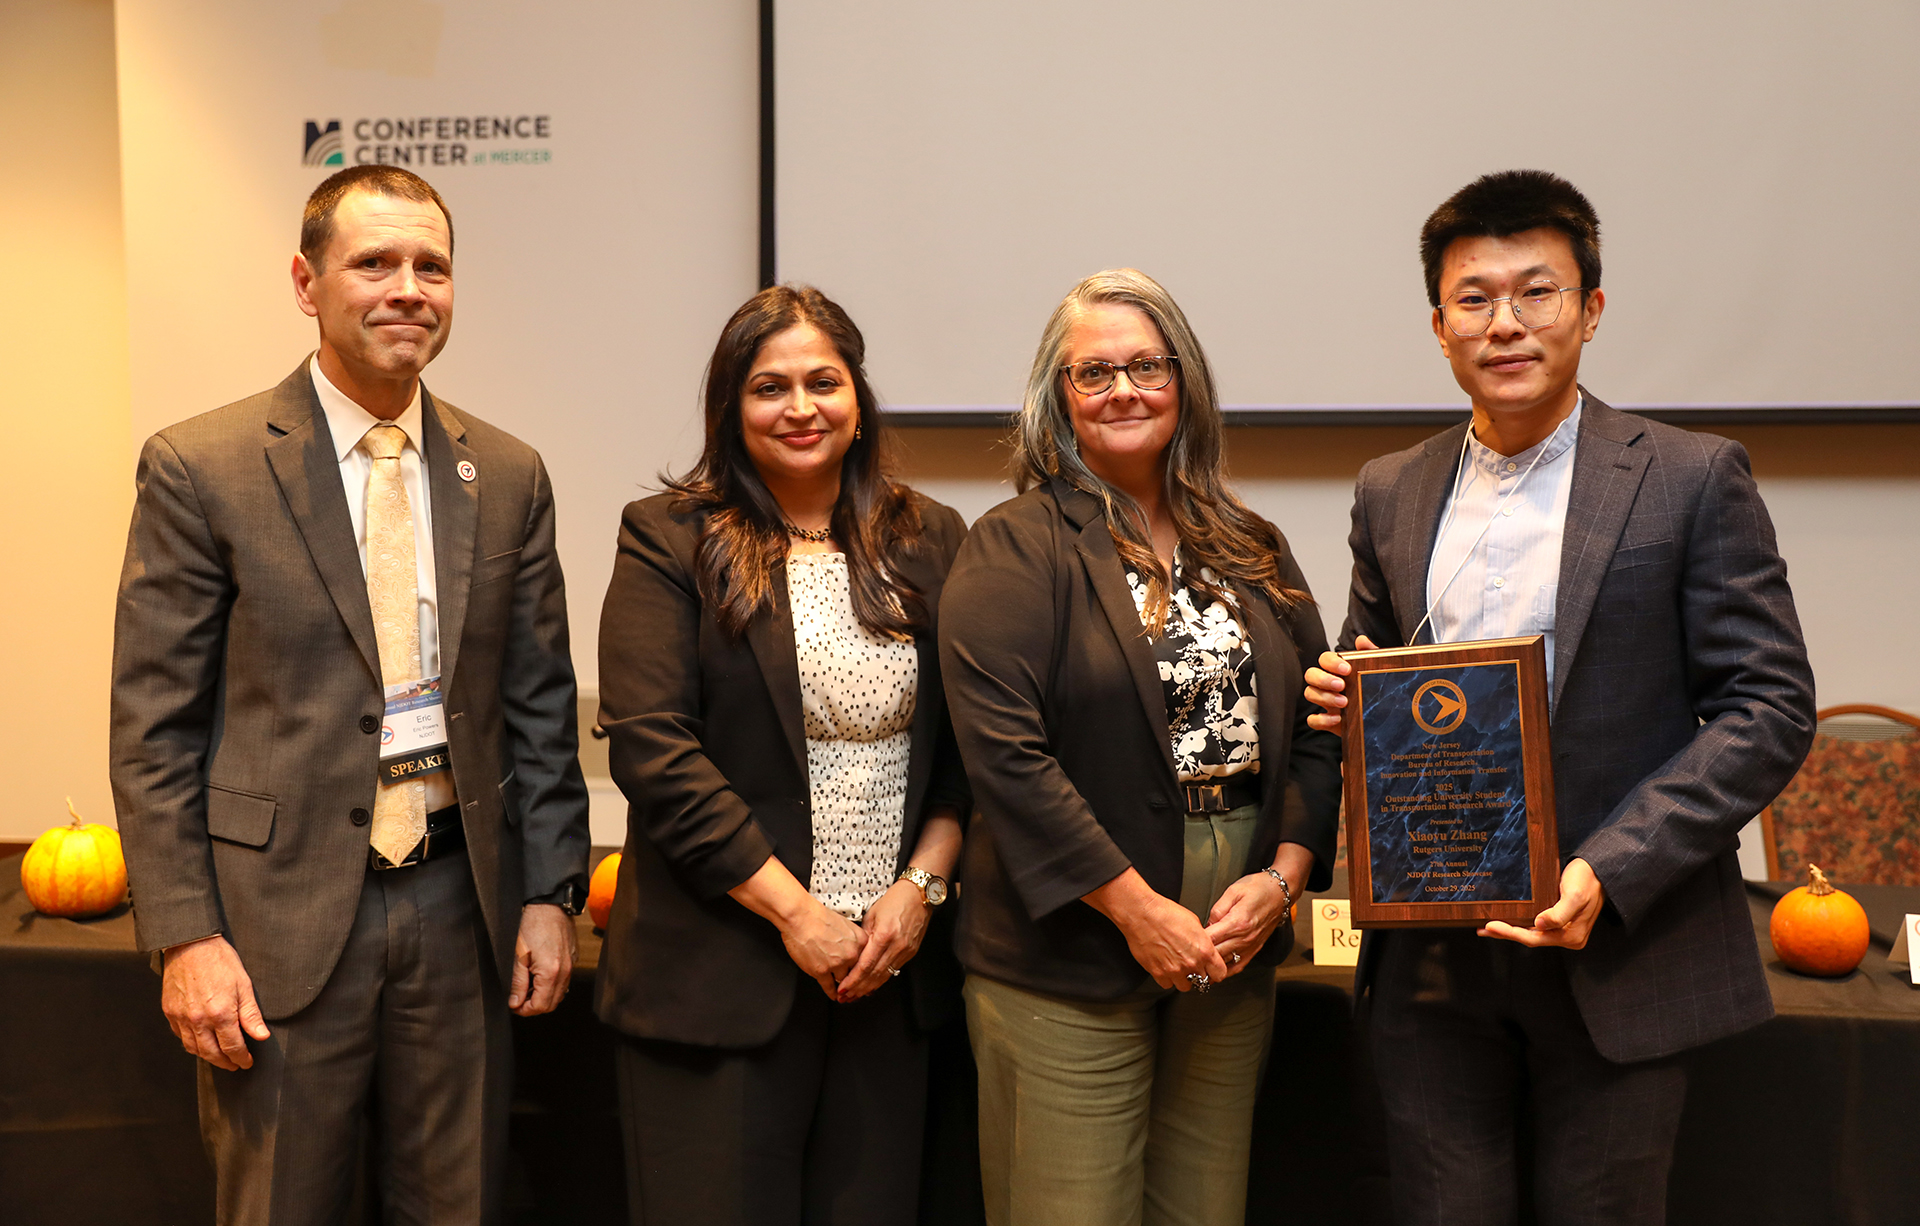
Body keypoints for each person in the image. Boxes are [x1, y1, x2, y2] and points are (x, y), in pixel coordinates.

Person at [1303, 170, 1816, 1225]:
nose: (1507, 322)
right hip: (1431, 958)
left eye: (1536, 291)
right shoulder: (1389, 487)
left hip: (1621, 942)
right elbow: (1380, 670)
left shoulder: (1689, 474)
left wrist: (1607, 867)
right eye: (1475, 297)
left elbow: (1768, 704)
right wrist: (1340, 685)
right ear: (1439, 326)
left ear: (1589, 307)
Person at [109, 164, 591, 1223]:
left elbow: (539, 703)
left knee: (455, 1203)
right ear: (306, 281)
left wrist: (552, 892)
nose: (407, 287)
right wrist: (185, 935)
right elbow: (153, 726)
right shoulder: (204, 465)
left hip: (458, 905)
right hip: (272, 919)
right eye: (374, 262)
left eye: (433, 266)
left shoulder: (506, 472)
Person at [938, 268, 1343, 1226]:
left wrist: (1284, 879)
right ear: (1058, 401)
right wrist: (1137, 911)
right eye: (1094, 374)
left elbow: (1322, 726)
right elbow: (1007, 759)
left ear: (1185, 383)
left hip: (1235, 941)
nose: (1124, 390)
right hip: (1072, 944)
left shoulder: (1251, 543)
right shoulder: (1014, 546)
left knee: (1204, 1211)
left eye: (1147, 366)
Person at [594, 284, 969, 1225]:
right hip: (720, 977)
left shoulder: (931, 539)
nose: (800, 408)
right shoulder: (668, 536)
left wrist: (917, 895)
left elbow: (971, 749)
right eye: (769, 387)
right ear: (731, 407)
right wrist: (797, 915)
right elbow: (656, 753)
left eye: (822, 382)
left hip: (889, 974)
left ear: (858, 399)